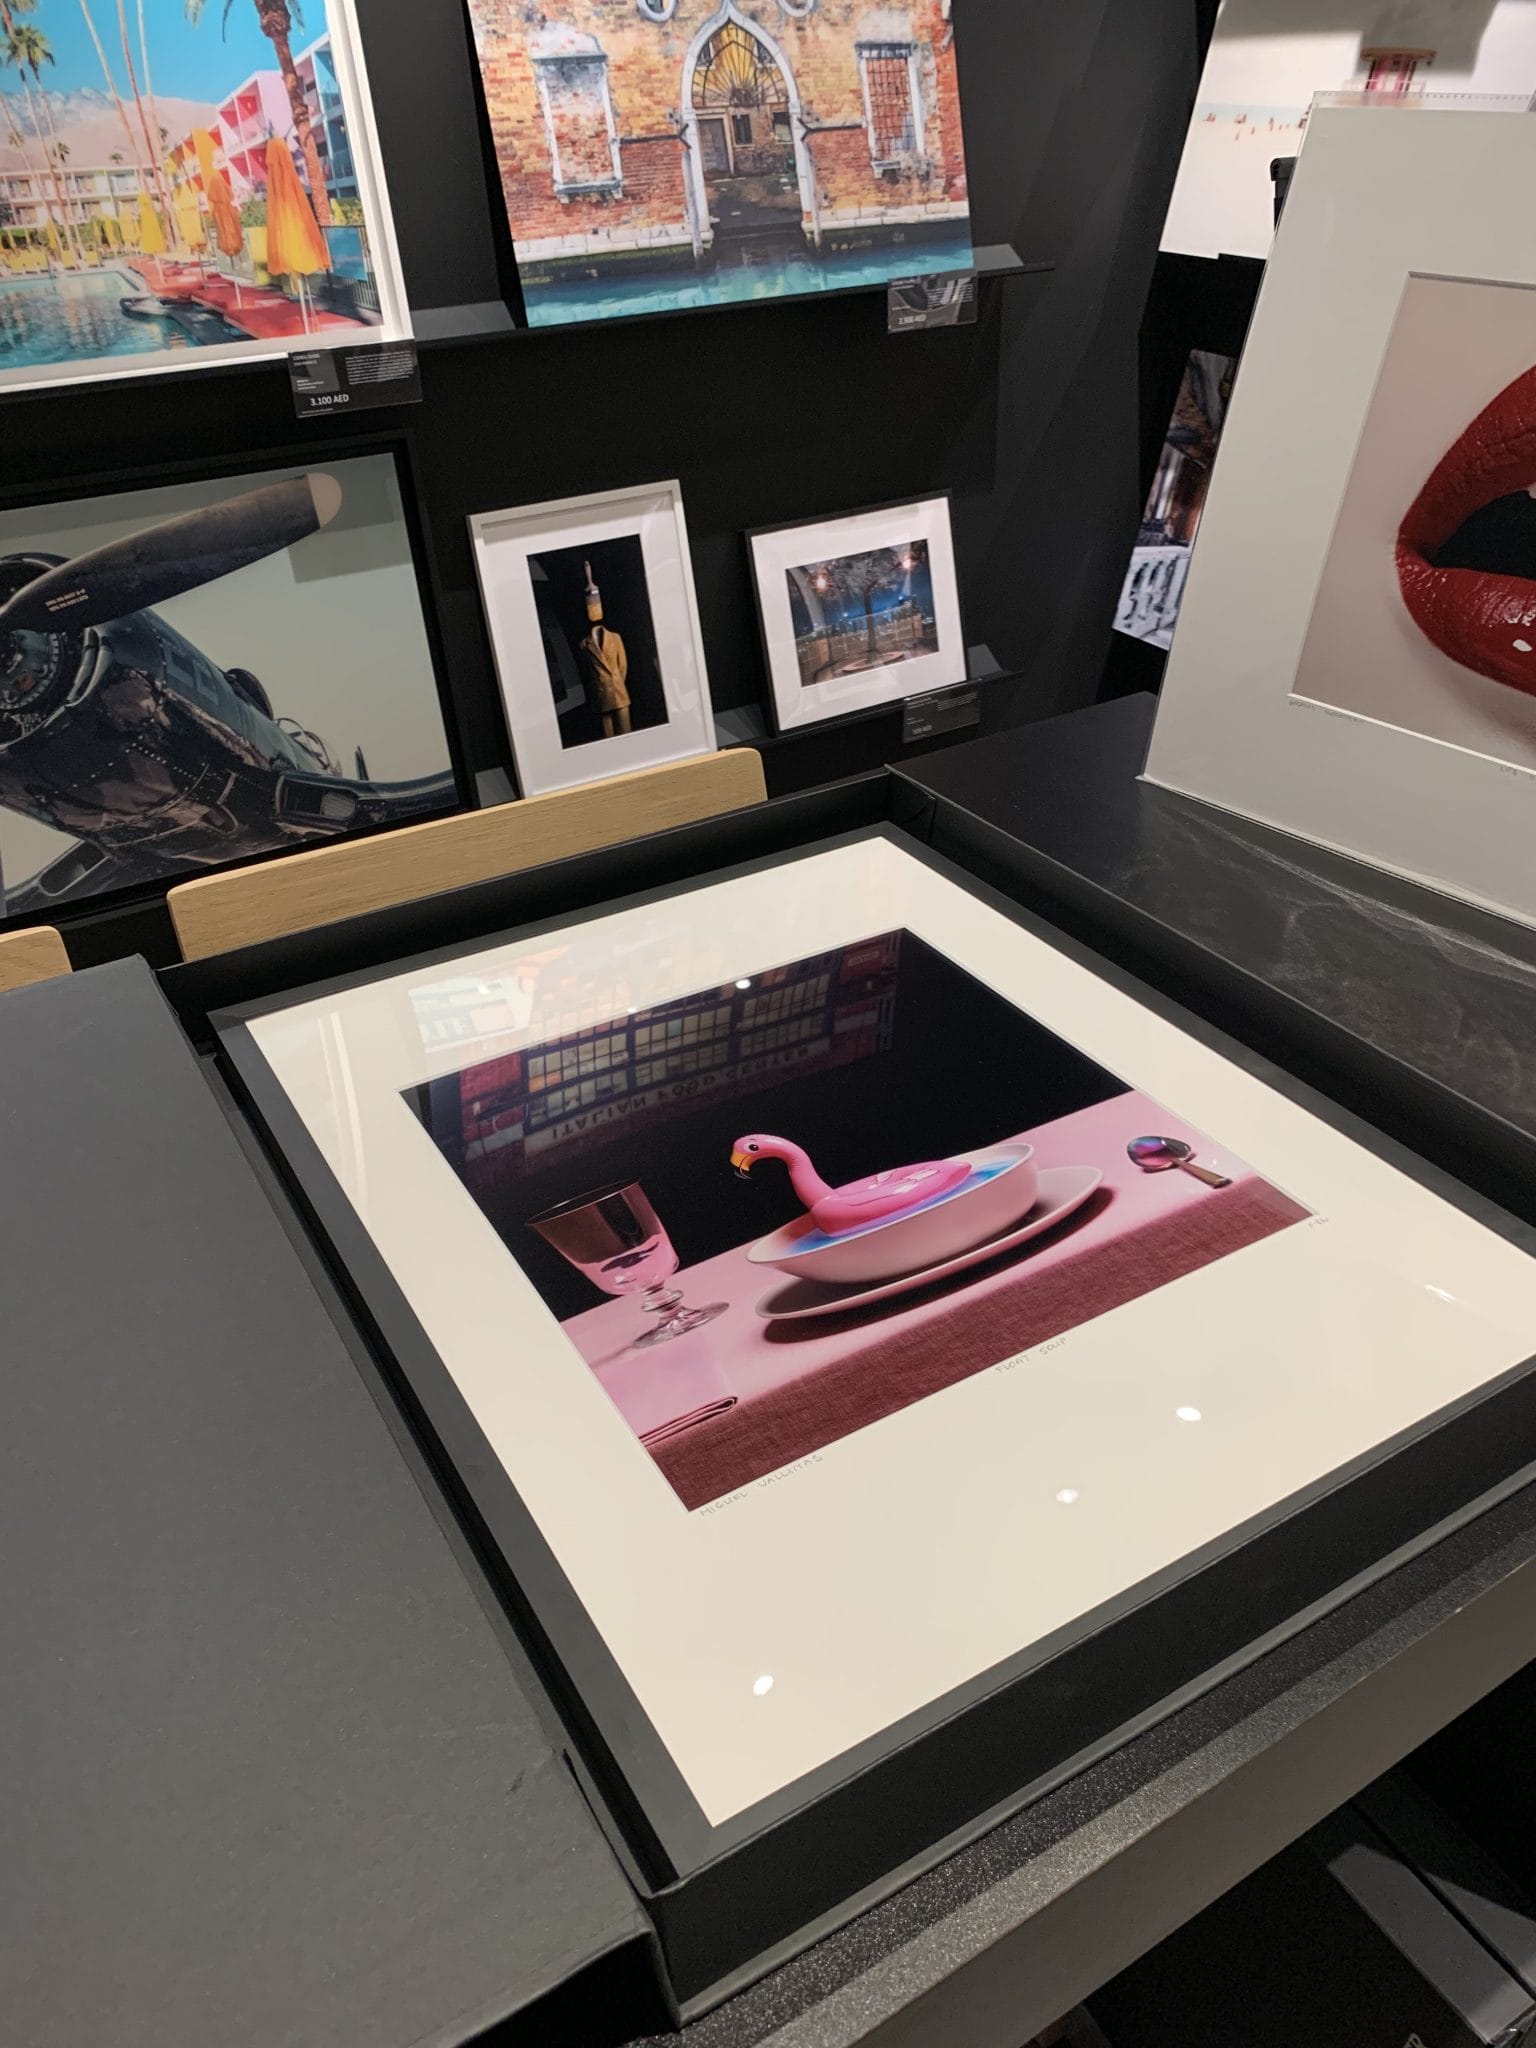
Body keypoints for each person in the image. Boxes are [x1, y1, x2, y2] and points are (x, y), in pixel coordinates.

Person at [579, 560, 631, 738]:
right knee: (607, 736)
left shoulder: (615, 638)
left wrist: (616, 682)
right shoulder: (584, 644)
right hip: (601, 696)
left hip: (618, 691)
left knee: (626, 732)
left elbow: (623, 666)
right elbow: (587, 672)